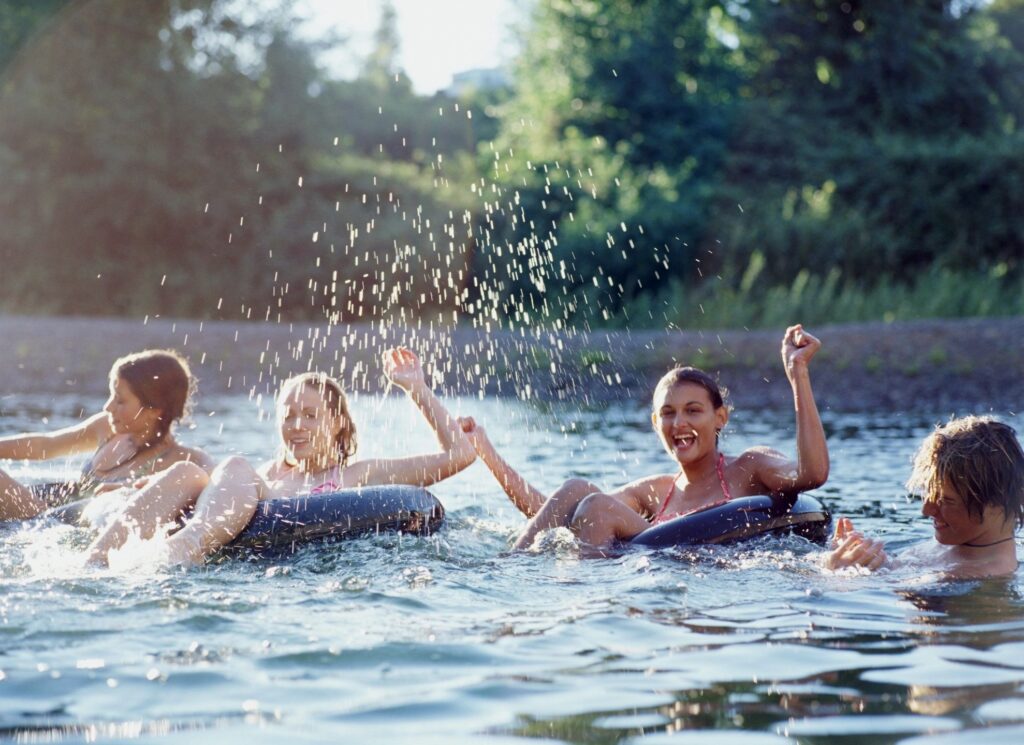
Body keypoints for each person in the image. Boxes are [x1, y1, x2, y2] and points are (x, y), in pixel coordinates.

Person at [85, 347, 475, 566]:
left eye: (310, 415)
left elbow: (460, 454)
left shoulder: (357, 475)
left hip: (294, 560)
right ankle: (96, 561)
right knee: (192, 470)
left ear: (338, 423)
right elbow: (206, 483)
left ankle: (184, 549)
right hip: (234, 546)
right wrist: (129, 490)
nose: (296, 426)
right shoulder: (260, 474)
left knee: (233, 465)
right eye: (288, 416)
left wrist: (415, 388)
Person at [461, 324, 829, 551]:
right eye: (668, 414)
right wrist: (486, 451)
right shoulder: (654, 491)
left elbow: (811, 474)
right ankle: (512, 569)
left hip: (711, 574)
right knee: (576, 489)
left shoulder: (749, 467)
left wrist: (798, 374)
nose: (679, 423)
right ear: (656, 424)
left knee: (596, 504)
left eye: (693, 410)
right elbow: (552, 513)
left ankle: (575, 595)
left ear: (721, 417)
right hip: (643, 567)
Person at [1, 349, 213, 521]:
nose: (108, 407)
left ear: (154, 409)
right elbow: (45, 446)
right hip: (45, 515)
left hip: (57, 528)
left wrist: (131, 487)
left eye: (120, 400)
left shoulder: (187, 460)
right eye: (111, 395)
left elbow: (215, 486)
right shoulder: (107, 429)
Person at [827, 416, 1023, 578]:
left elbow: (906, 612)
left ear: (996, 503)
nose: (926, 510)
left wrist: (835, 571)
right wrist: (858, 556)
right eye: (928, 493)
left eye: (946, 501)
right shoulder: (958, 544)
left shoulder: (967, 577)